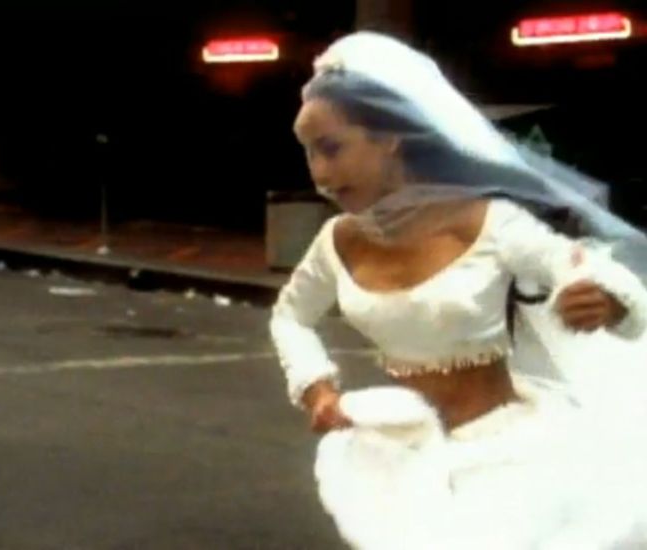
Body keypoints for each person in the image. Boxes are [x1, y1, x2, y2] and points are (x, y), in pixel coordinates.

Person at [269, 31, 647, 549]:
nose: (320, 175)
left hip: (502, 453)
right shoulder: (336, 241)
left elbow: (574, 265)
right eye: (309, 154)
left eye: (332, 148)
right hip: (394, 455)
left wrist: (601, 297)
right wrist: (317, 386)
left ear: (388, 138)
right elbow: (290, 315)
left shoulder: (489, 221)